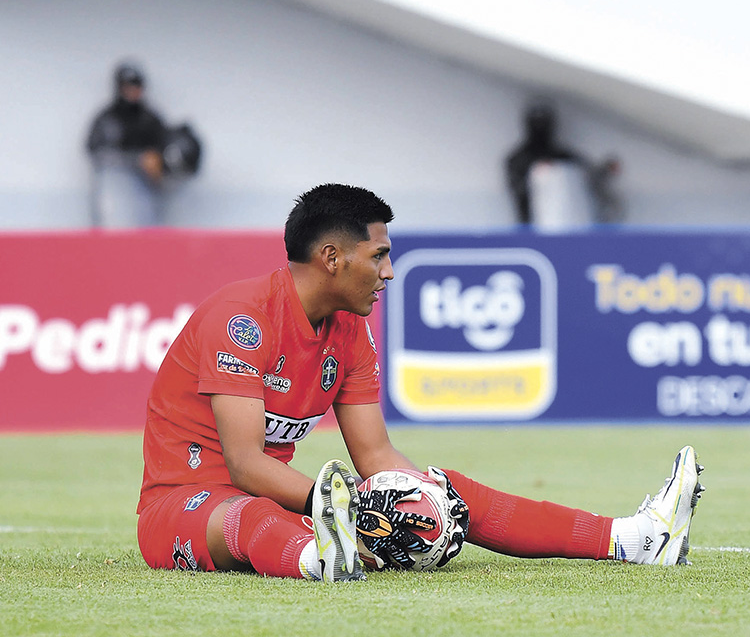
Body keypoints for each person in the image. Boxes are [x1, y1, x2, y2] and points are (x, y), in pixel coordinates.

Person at [135, 183, 705, 581]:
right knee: (252, 515)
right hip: (186, 506)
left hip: (285, 504)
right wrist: (344, 507)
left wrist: (424, 497)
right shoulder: (242, 318)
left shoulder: (351, 333)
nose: (388, 272)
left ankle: (633, 539)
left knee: (445, 490)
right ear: (332, 258)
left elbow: (375, 453)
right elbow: (244, 465)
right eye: (379, 255)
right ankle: (320, 558)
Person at [86, 61, 170, 227]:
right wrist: (135, 160)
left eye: (136, 87)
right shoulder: (107, 118)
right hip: (115, 191)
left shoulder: (150, 119)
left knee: (147, 231)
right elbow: (94, 151)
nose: (133, 92)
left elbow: (164, 150)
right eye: (127, 87)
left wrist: (160, 161)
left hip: (146, 192)